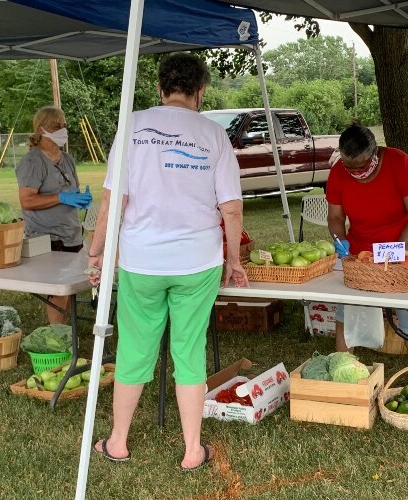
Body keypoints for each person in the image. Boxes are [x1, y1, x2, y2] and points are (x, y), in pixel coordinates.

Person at [87, 53, 248, 471]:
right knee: (189, 351)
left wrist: (97, 250)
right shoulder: (214, 134)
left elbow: (112, 200)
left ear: (161, 88)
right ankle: (192, 449)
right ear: (201, 91)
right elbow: (230, 207)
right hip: (198, 261)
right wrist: (233, 260)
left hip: (141, 260)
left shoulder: (133, 125)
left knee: (134, 349)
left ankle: (118, 441)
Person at [326, 122, 408, 389]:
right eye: (350, 167)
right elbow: (336, 217)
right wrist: (341, 242)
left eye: (362, 166)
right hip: (362, 251)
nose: (356, 173)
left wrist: (397, 251)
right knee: (348, 309)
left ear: (375, 153)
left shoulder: (400, 163)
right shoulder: (338, 173)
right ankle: (343, 373)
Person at [16, 106, 92, 324]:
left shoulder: (67, 159)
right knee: (58, 290)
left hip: (71, 234)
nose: (63, 129)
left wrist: (80, 198)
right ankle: (56, 335)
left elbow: (70, 191)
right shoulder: (33, 162)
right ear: (41, 130)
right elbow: (27, 201)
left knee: (68, 290)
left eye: (64, 125)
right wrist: (61, 198)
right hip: (48, 237)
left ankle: (65, 332)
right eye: (56, 126)